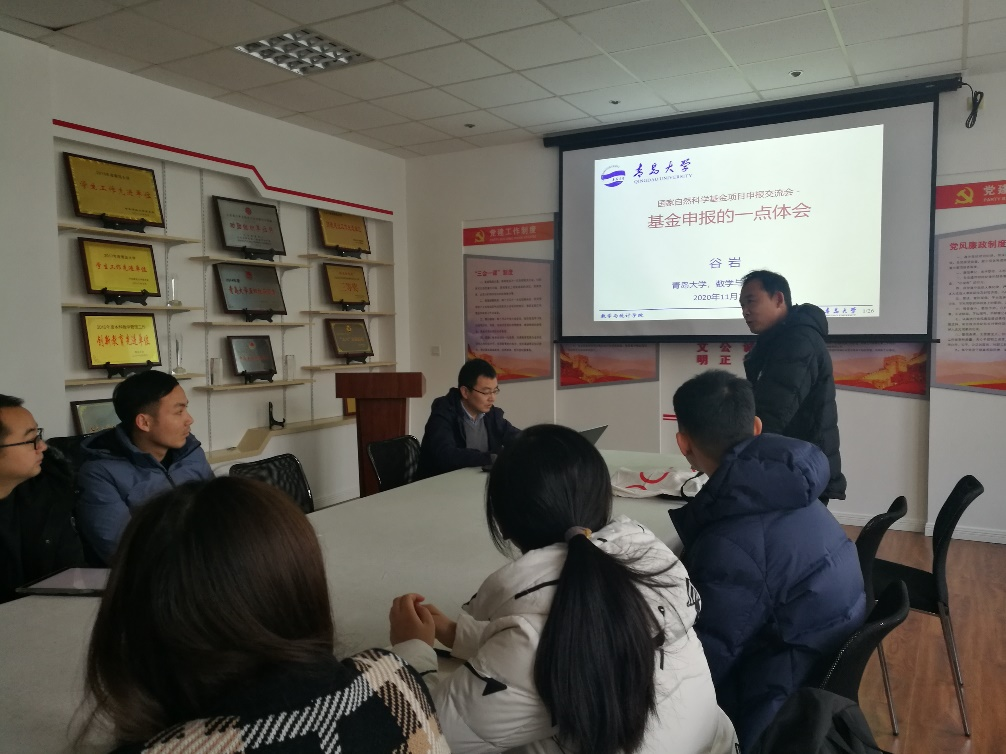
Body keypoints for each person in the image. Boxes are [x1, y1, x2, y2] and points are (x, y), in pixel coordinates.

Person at [391, 423, 738, 754]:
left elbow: (419, 738)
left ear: (503, 525)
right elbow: (580, 634)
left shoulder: (532, 641)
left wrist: (411, 650)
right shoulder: (652, 561)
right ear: (602, 501)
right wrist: (461, 634)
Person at [79, 477, 449, 754]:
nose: (188, 417)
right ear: (301, 589)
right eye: (178, 409)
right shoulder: (398, 686)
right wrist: (415, 650)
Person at [668, 370, 867, 750]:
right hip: (814, 670)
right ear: (757, 427)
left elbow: (703, 662)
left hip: (773, 704)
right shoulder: (795, 490)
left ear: (683, 443)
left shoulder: (730, 544)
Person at [76, 371, 212, 564]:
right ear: (144, 422)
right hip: (158, 573)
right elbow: (122, 549)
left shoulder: (191, 452)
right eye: (178, 412)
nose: (189, 419)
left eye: (186, 409)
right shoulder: (99, 474)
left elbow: (218, 510)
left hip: (209, 562)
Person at [740, 269, 846, 501]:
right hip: (795, 462)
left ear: (778, 299)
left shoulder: (798, 340)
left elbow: (772, 413)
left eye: (751, 301)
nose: (745, 311)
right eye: (742, 305)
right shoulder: (776, 340)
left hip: (803, 468)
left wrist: (737, 458)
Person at [0, 394, 86, 603]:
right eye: (31, 440)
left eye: (38, 435)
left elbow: (71, 573)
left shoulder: (48, 493)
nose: (43, 447)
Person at [417, 358, 520, 478]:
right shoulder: (443, 413)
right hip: (441, 483)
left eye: (495, 391)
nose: (492, 398)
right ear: (465, 392)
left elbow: (517, 437)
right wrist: (491, 458)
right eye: (486, 392)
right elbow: (445, 454)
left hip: (477, 482)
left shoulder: (492, 415)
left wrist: (534, 442)